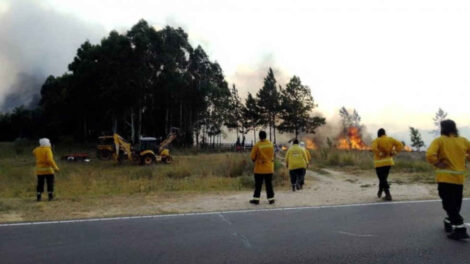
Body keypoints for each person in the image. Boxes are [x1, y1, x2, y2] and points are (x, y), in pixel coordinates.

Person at [426, 119, 470, 240]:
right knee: (455, 204)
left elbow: (430, 154)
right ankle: (448, 221)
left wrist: (437, 163)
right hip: (459, 179)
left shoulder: (440, 140)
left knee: (448, 204)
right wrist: (465, 157)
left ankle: (460, 228)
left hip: (445, 178)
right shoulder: (464, 141)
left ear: (443, 129)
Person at [370, 128, 403, 201]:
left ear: (378, 134)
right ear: (385, 133)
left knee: (382, 179)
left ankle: (388, 195)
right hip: (388, 163)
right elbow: (400, 145)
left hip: (379, 164)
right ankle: (381, 190)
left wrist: (379, 153)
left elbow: (374, 148)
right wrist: (394, 152)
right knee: (383, 179)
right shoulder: (390, 139)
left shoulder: (377, 140)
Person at [249, 131, 275, 205]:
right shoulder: (270, 144)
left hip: (259, 169)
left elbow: (252, 157)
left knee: (258, 185)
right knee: (269, 184)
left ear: (259, 136)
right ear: (266, 136)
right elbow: (273, 155)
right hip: (269, 168)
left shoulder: (257, 145)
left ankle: (256, 199)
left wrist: (256, 160)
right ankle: (271, 199)